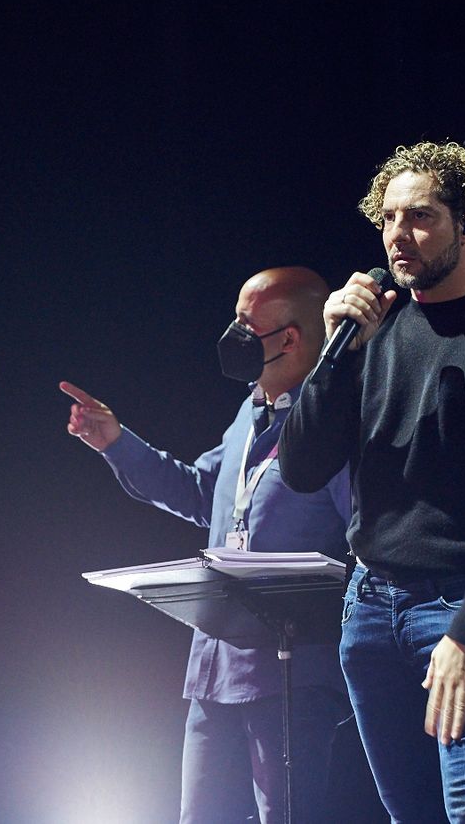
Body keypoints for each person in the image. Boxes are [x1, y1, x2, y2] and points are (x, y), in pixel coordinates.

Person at [279, 141, 465, 822]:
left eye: (418, 217)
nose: (396, 236)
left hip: (459, 605)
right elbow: (299, 470)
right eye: (386, 219)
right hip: (369, 606)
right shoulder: (373, 334)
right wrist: (332, 355)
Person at [60, 266, 354, 824]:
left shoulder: (330, 424)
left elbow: (363, 540)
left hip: (288, 677)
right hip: (215, 671)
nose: (233, 333)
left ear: (289, 338)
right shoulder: (249, 411)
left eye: (247, 323)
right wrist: (116, 443)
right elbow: (201, 492)